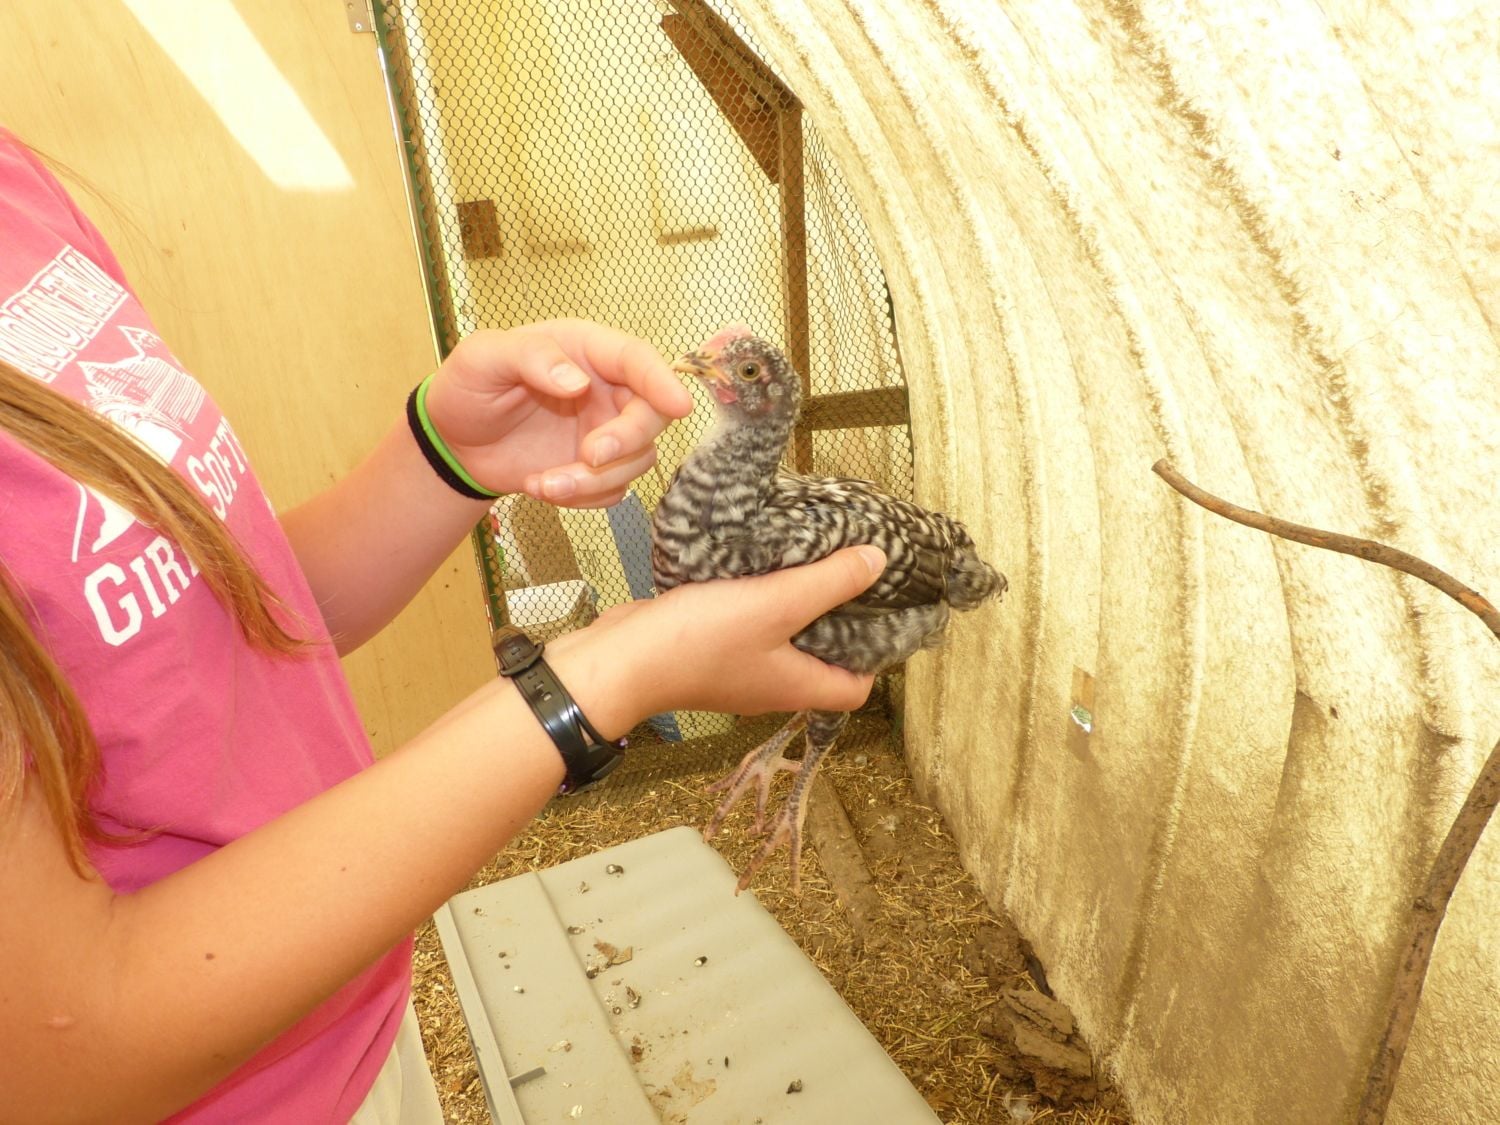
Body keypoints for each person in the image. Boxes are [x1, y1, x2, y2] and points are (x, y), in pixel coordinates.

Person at [0, 126, 884, 1122]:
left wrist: (444, 460)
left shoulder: (17, 182)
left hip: (339, 1022)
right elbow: (61, 1047)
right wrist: (600, 679)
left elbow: (196, 627)